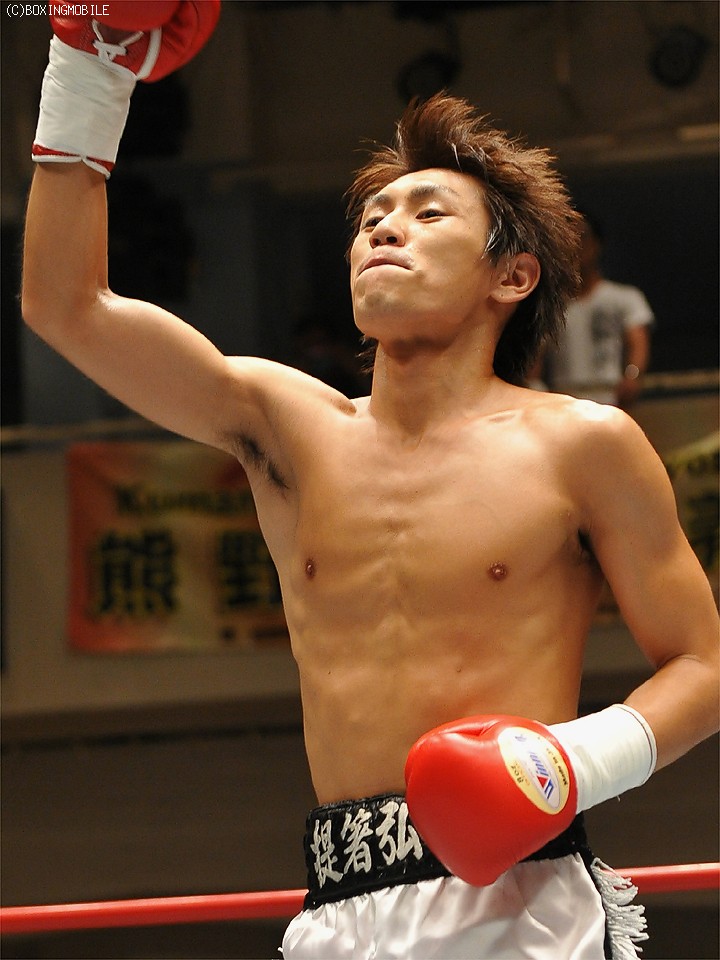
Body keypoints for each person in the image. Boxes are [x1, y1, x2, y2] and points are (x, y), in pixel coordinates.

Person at [21, 7, 719, 959]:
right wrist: (89, 69)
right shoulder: (285, 425)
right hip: (339, 908)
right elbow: (65, 306)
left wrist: (569, 763)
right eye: (371, 218)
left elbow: (702, 664)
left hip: (519, 901)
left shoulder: (581, 444)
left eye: (429, 214)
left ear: (512, 278)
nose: (385, 227)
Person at [540, 211, 654, 407]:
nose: (575, 245)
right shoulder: (551, 307)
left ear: (597, 243)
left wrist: (632, 376)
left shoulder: (624, 297)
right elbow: (537, 355)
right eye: (566, 239)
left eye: (582, 237)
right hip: (564, 400)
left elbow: (637, 341)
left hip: (610, 398)